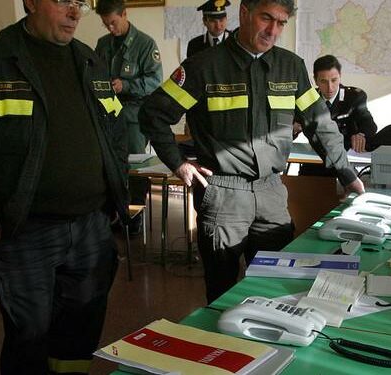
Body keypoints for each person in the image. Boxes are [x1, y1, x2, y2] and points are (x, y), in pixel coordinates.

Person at [140, 0, 365, 303]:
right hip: (224, 197)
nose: (273, 30)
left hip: (272, 193)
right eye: (266, 18)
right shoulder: (204, 66)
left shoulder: (291, 66)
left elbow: (320, 124)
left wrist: (347, 174)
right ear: (245, 13)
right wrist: (180, 165)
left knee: (274, 289)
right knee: (222, 295)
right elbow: (152, 114)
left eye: (282, 22)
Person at [0, 0, 129, 373]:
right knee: (29, 338)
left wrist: (114, 196)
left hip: (90, 228)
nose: (75, 13)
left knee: (79, 334)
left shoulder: (88, 59)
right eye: (63, 1)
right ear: (31, 2)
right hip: (26, 230)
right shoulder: (1, 60)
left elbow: (114, 127)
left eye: (80, 3)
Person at [95, 0, 163, 154]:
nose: (110, 28)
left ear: (124, 14)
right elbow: (94, 74)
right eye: (106, 24)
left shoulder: (145, 44)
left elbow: (155, 81)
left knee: (135, 167)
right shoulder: (103, 44)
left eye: (113, 23)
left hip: (133, 118)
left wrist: (124, 85)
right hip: (107, 116)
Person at [297, 55, 378, 176]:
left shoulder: (354, 97)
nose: (330, 87)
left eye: (334, 80)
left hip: (344, 160)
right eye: (323, 81)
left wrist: (361, 134)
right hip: (315, 159)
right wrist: (293, 128)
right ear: (315, 80)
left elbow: (369, 124)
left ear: (340, 77)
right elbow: (290, 127)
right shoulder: (307, 99)